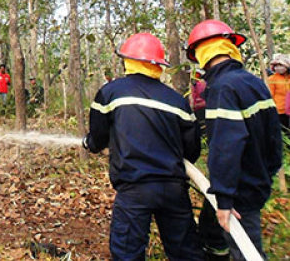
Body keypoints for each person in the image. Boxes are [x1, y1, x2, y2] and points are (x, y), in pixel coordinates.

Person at [82, 32, 203, 261]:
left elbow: (98, 137)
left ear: (128, 60)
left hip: (134, 189)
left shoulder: (111, 92)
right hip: (173, 189)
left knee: (127, 252)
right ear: (158, 65)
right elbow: (192, 149)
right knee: (186, 253)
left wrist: (90, 143)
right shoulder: (177, 101)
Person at [186, 19, 283, 260]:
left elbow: (225, 148)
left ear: (201, 54)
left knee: (246, 251)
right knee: (211, 232)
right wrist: (266, 174)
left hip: (239, 191)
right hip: (255, 182)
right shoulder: (255, 82)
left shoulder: (222, 89)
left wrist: (226, 200)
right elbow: (275, 136)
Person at [267, 54, 290, 134]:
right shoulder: (272, 79)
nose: (278, 67)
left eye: (280, 65)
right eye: (276, 65)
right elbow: (270, 96)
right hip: (279, 112)